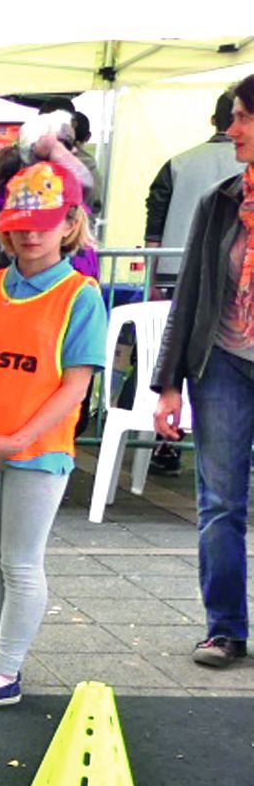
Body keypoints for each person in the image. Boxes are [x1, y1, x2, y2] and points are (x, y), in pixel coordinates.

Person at [0, 161, 108, 709]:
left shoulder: (81, 297)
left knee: (19, 561)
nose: (32, 232)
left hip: (38, 451)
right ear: (5, 226)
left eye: (47, 221)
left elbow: (74, 389)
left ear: (70, 224)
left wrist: (18, 439)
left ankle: (4, 670)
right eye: (22, 222)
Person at [151, 74, 254, 668]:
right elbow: (189, 292)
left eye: (242, 118)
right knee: (220, 502)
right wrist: (168, 384)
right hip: (222, 365)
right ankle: (224, 629)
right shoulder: (221, 201)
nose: (231, 130)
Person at [145, 89, 240, 292]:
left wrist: (151, 282)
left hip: (175, 271)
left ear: (213, 120)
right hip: (236, 276)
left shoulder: (177, 164)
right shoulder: (247, 166)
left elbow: (154, 231)